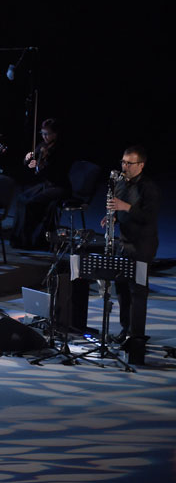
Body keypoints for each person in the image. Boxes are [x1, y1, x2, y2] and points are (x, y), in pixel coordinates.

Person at [105, 146, 158, 365]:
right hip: (123, 244)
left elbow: (148, 216)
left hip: (142, 246)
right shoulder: (119, 183)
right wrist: (111, 217)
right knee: (122, 290)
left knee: (138, 292)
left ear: (141, 165)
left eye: (129, 163)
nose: (124, 167)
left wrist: (125, 207)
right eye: (123, 162)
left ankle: (137, 337)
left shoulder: (150, 188)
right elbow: (117, 209)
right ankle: (125, 330)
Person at [11, 118, 71, 250]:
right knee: (21, 199)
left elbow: (55, 172)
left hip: (60, 187)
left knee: (31, 203)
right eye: (42, 133)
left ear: (55, 134)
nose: (44, 137)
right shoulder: (43, 145)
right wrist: (28, 160)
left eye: (47, 134)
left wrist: (40, 165)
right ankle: (19, 238)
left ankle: (33, 240)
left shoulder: (62, 149)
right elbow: (30, 162)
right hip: (48, 184)